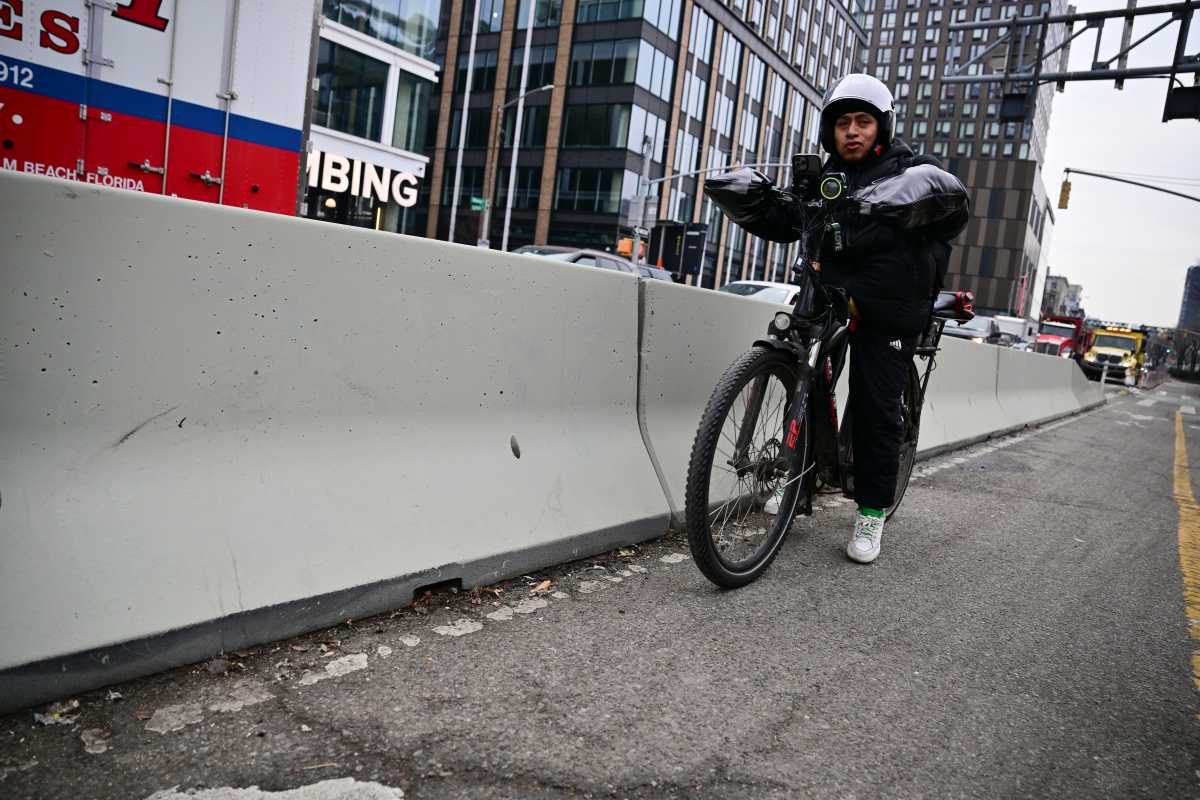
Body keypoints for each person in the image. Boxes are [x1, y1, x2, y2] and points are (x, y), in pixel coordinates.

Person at [751, 74, 965, 564]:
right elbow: (787, 218)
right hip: (825, 293)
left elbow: (952, 204)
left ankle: (871, 512)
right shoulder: (824, 179)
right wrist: (755, 201)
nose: (852, 131)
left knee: (875, 409)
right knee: (800, 383)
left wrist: (907, 195)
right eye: (843, 122)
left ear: (881, 127)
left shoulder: (909, 171)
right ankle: (796, 483)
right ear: (831, 131)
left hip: (887, 306)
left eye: (862, 122)